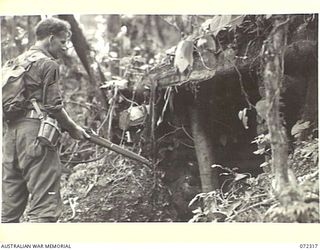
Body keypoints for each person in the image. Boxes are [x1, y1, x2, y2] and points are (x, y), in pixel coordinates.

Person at [2, 17, 90, 223]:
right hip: (36, 136)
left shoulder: (16, 62)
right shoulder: (47, 63)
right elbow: (53, 106)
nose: (65, 47)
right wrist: (73, 128)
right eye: (62, 42)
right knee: (45, 208)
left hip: (10, 137)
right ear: (51, 38)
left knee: (8, 209)